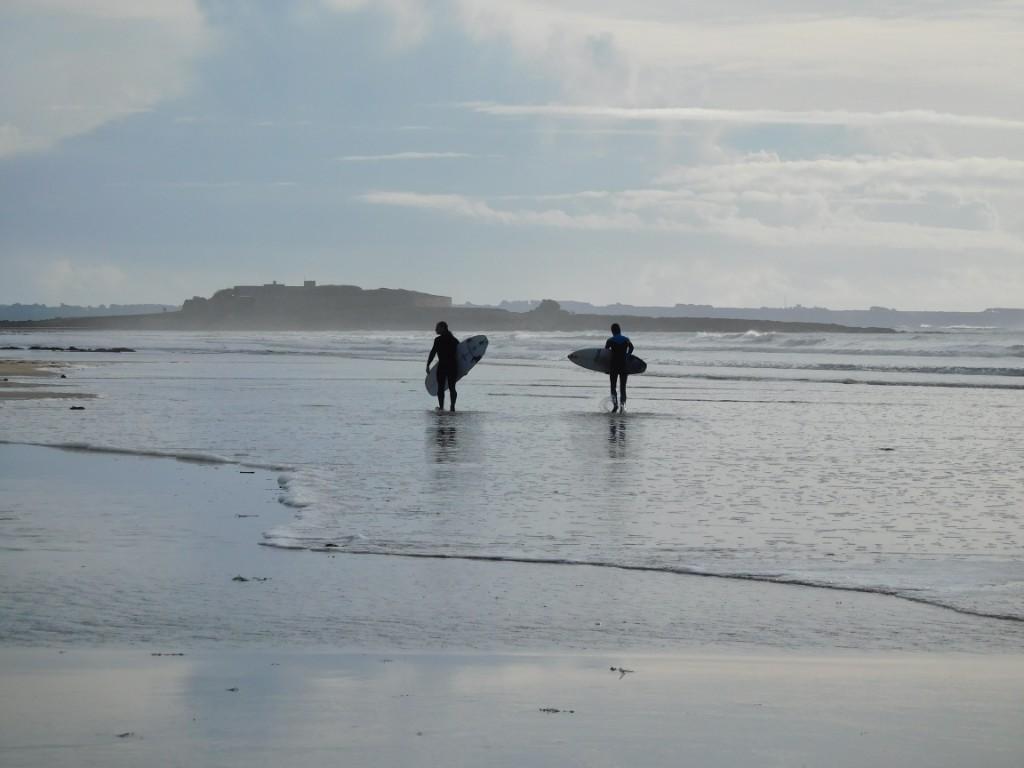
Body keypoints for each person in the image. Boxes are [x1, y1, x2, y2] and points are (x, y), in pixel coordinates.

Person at [427, 321, 460, 411]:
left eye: (437, 327)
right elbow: (461, 355)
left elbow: (432, 353)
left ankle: (441, 407)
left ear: (443, 328)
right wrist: (463, 369)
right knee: (452, 387)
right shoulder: (454, 340)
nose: (436, 329)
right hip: (453, 366)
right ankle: (452, 406)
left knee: (440, 388)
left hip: (442, 366)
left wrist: (428, 365)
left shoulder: (438, 340)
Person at [605, 322, 634, 413]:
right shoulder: (626, 339)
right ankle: (622, 406)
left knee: (613, 387)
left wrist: (605, 368)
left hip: (613, 365)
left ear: (612, 331)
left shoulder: (610, 340)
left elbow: (605, 353)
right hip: (624, 365)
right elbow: (632, 348)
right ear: (620, 330)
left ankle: (615, 406)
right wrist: (627, 355)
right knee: (623, 387)